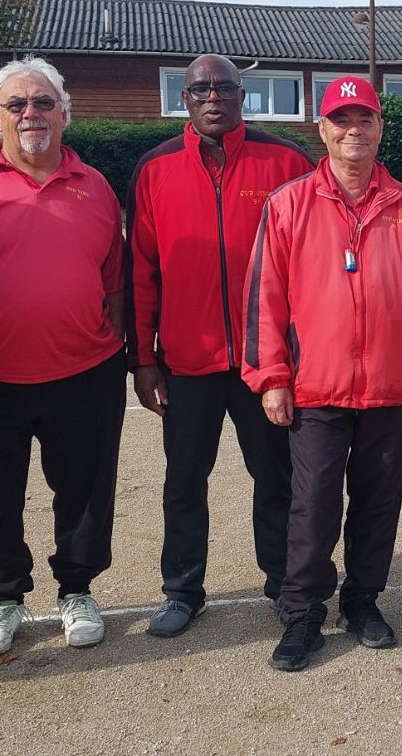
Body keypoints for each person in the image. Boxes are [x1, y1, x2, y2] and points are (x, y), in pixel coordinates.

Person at [244, 76, 402, 671]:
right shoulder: (288, 203)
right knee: (313, 504)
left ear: (381, 128)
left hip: (388, 387)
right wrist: (272, 375)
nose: (353, 130)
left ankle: (363, 600)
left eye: (365, 119)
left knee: (379, 503)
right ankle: (303, 612)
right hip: (317, 389)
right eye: (341, 120)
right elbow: (264, 298)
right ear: (322, 130)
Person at [0, 58, 126, 656]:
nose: (30, 114)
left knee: (85, 490)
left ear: (65, 114)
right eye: (16, 104)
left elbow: (113, 280)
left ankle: (77, 589)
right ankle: (2, 597)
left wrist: (115, 347)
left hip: (84, 371)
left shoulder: (95, 186)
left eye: (42, 103)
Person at [127, 54, 314, 637]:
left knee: (277, 478)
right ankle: (182, 590)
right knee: (184, 480)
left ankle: (284, 582)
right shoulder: (155, 169)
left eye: (225, 88)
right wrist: (144, 359)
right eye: (200, 88)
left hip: (265, 362)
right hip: (187, 362)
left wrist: (295, 355)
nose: (213, 97)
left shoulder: (284, 160)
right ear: (185, 98)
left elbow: (309, 265)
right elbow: (141, 272)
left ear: (243, 95)